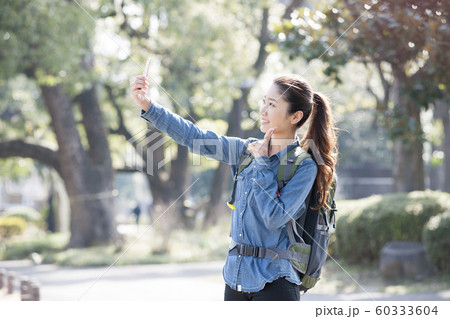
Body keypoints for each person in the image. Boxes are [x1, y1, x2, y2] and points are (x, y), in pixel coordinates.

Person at [130, 73, 338, 301]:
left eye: (272, 104)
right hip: (235, 280)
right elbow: (194, 136)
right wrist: (148, 106)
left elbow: (274, 217)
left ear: (295, 116)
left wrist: (263, 164)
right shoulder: (244, 150)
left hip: (276, 282)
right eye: (263, 101)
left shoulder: (304, 166)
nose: (263, 110)